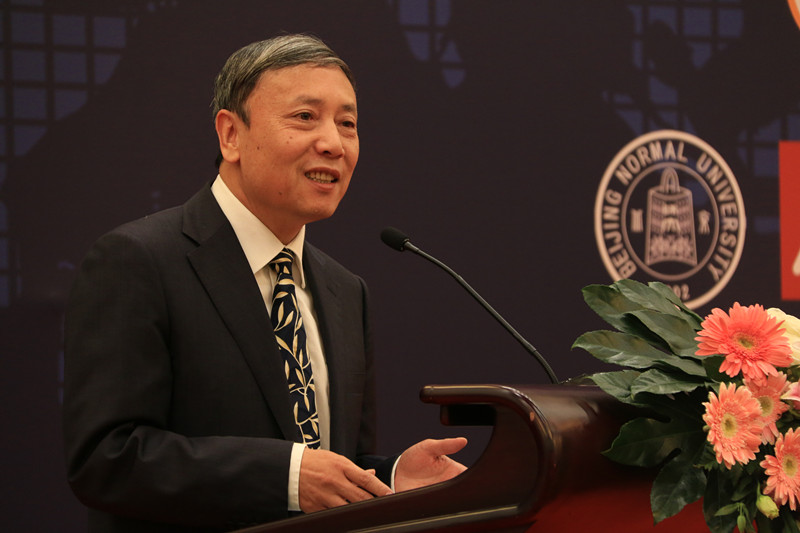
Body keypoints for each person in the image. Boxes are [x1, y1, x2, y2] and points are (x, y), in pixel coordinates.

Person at [62, 34, 466, 532]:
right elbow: (106, 459)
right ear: (231, 134)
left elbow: (332, 465)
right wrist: (287, 476)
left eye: (347, 123)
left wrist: (391, 477)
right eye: (305, 117)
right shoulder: (138, 261)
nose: (333, 143)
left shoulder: (345, 291)